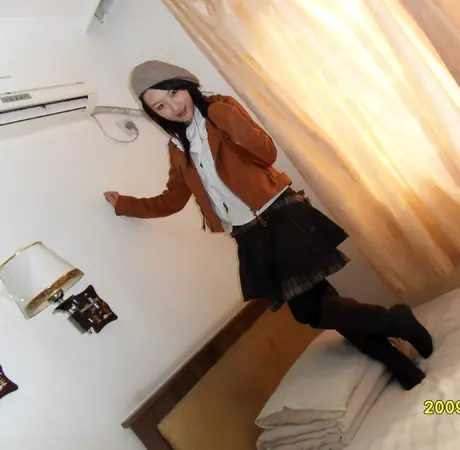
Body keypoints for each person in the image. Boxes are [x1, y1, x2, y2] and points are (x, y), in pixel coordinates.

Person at [104, 60, 433, 389]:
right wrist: (124, 205)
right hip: (249, 237)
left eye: (174, 93)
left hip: (279, 217)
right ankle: (401, 364)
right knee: (325, 304)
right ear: (155, 114)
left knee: (308, 310)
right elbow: (172, 200)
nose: (173, 107)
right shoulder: (178, 149)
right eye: (160, 106)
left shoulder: (221, 111)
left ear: (187, 85)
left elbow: (266, 152)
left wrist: (219, 115)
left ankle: (395, 321)